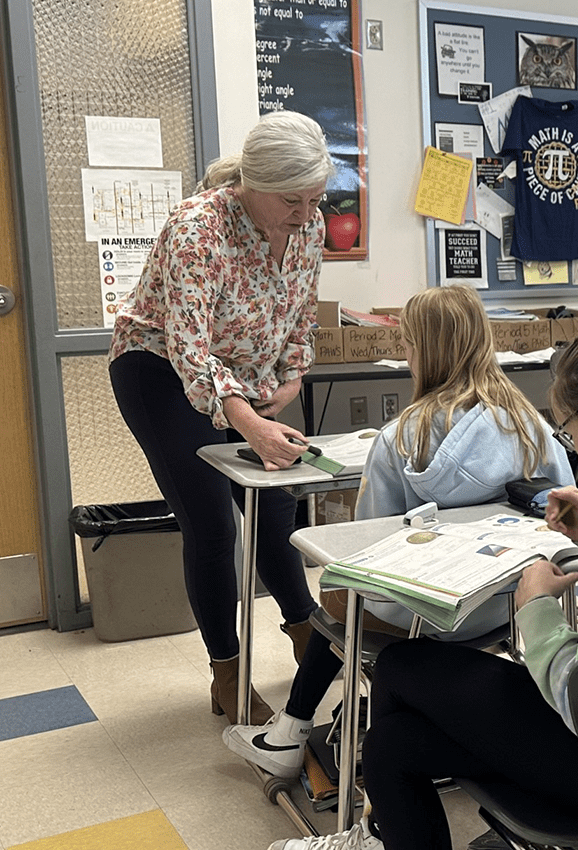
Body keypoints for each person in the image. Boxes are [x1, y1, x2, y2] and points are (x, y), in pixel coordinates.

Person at [269, 318, 578, 850]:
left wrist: (535, 609)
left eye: (569, 429)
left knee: (398, 672)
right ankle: (382, 834)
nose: (573, 445)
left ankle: (379, 834)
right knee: (395, 742)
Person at [221, 284, 573, 777]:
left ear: (422, 353)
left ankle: (290, 731)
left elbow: (368, 550)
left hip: (425, 616)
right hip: (511, 609)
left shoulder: (401, 438)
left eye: (407, 345)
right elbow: (563, 518)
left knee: (336, 591)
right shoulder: (533, 426)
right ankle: (303, 728)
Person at [109, 110, 334, 724]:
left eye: (317, 200)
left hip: (248, 374)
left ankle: (305, 633)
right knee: (213, 524)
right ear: (250, 185)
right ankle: (226, 673)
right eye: (293, 201)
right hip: (160, 371)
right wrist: (248, 422)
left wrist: (291, 378)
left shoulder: (308, 226)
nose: (307, 214)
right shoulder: (198, 228)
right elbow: (190, 348)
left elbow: (301, 310)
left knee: (275, 513)